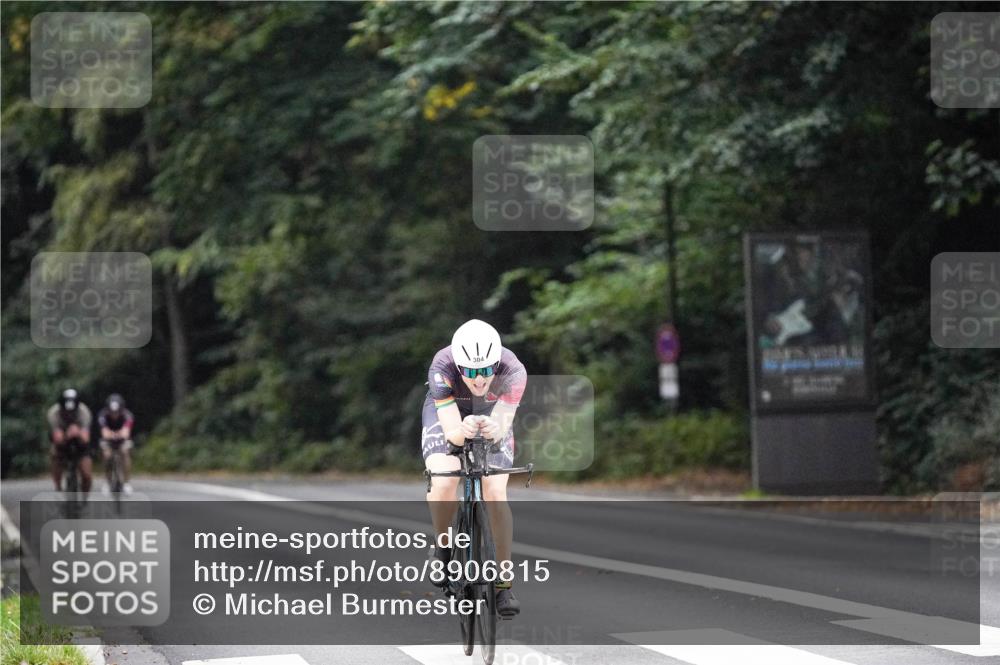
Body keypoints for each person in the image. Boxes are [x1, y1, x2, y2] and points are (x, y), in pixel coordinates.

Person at [422, 319, 527, 617]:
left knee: (495, 492)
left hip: (493, 412)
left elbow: (503, 425)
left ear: (497, 364)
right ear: (458, 365)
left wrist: (493, 428)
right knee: (443, 482)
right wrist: (462, 430)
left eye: (486, 371)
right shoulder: (442, 367)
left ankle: (503, 585)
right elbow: (453, 433)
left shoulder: (514, 370)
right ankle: (443, 548)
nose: (479, 380)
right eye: (470, 371)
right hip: (449, 412)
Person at [47, 388, 93, 495]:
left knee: (86, 474)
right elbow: (57, 438)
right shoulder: (54, 413)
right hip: (63, 440)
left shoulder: (84, 412)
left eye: (72, 411)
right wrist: (66, 435)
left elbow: (86, 438)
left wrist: (78, 432)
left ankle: (85, 495)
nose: (69, 413)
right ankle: (58, 486)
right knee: (55, 454)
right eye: (66, 410)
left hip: (80, 442)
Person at [98, 393, 135, 495]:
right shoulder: (103, 415)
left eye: (117, 412)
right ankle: (107, 481)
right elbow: (104, 433)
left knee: (125, 452)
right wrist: (113, 434)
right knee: (107, 455)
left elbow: (126, 432)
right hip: (108, 440)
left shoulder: (127, 415)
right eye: (112, 412)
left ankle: (126, 482)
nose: (114, 414)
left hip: (122, 440)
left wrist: (117, 434)